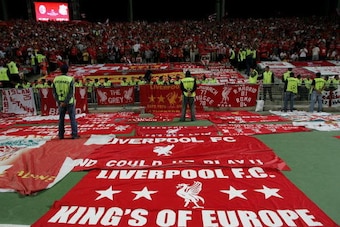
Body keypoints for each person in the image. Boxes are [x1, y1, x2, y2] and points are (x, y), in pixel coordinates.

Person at [52, 64, 79, 139]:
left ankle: (61, 135)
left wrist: (59, 101)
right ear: (67, 70)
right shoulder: (70, 79)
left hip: (60, 102)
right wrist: (66, 102)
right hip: (69, 102)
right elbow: (71, 93)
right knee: (72, 119)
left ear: (60, 70)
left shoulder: (55, 79)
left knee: (61, 119)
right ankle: (74, 134)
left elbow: (54, 92)